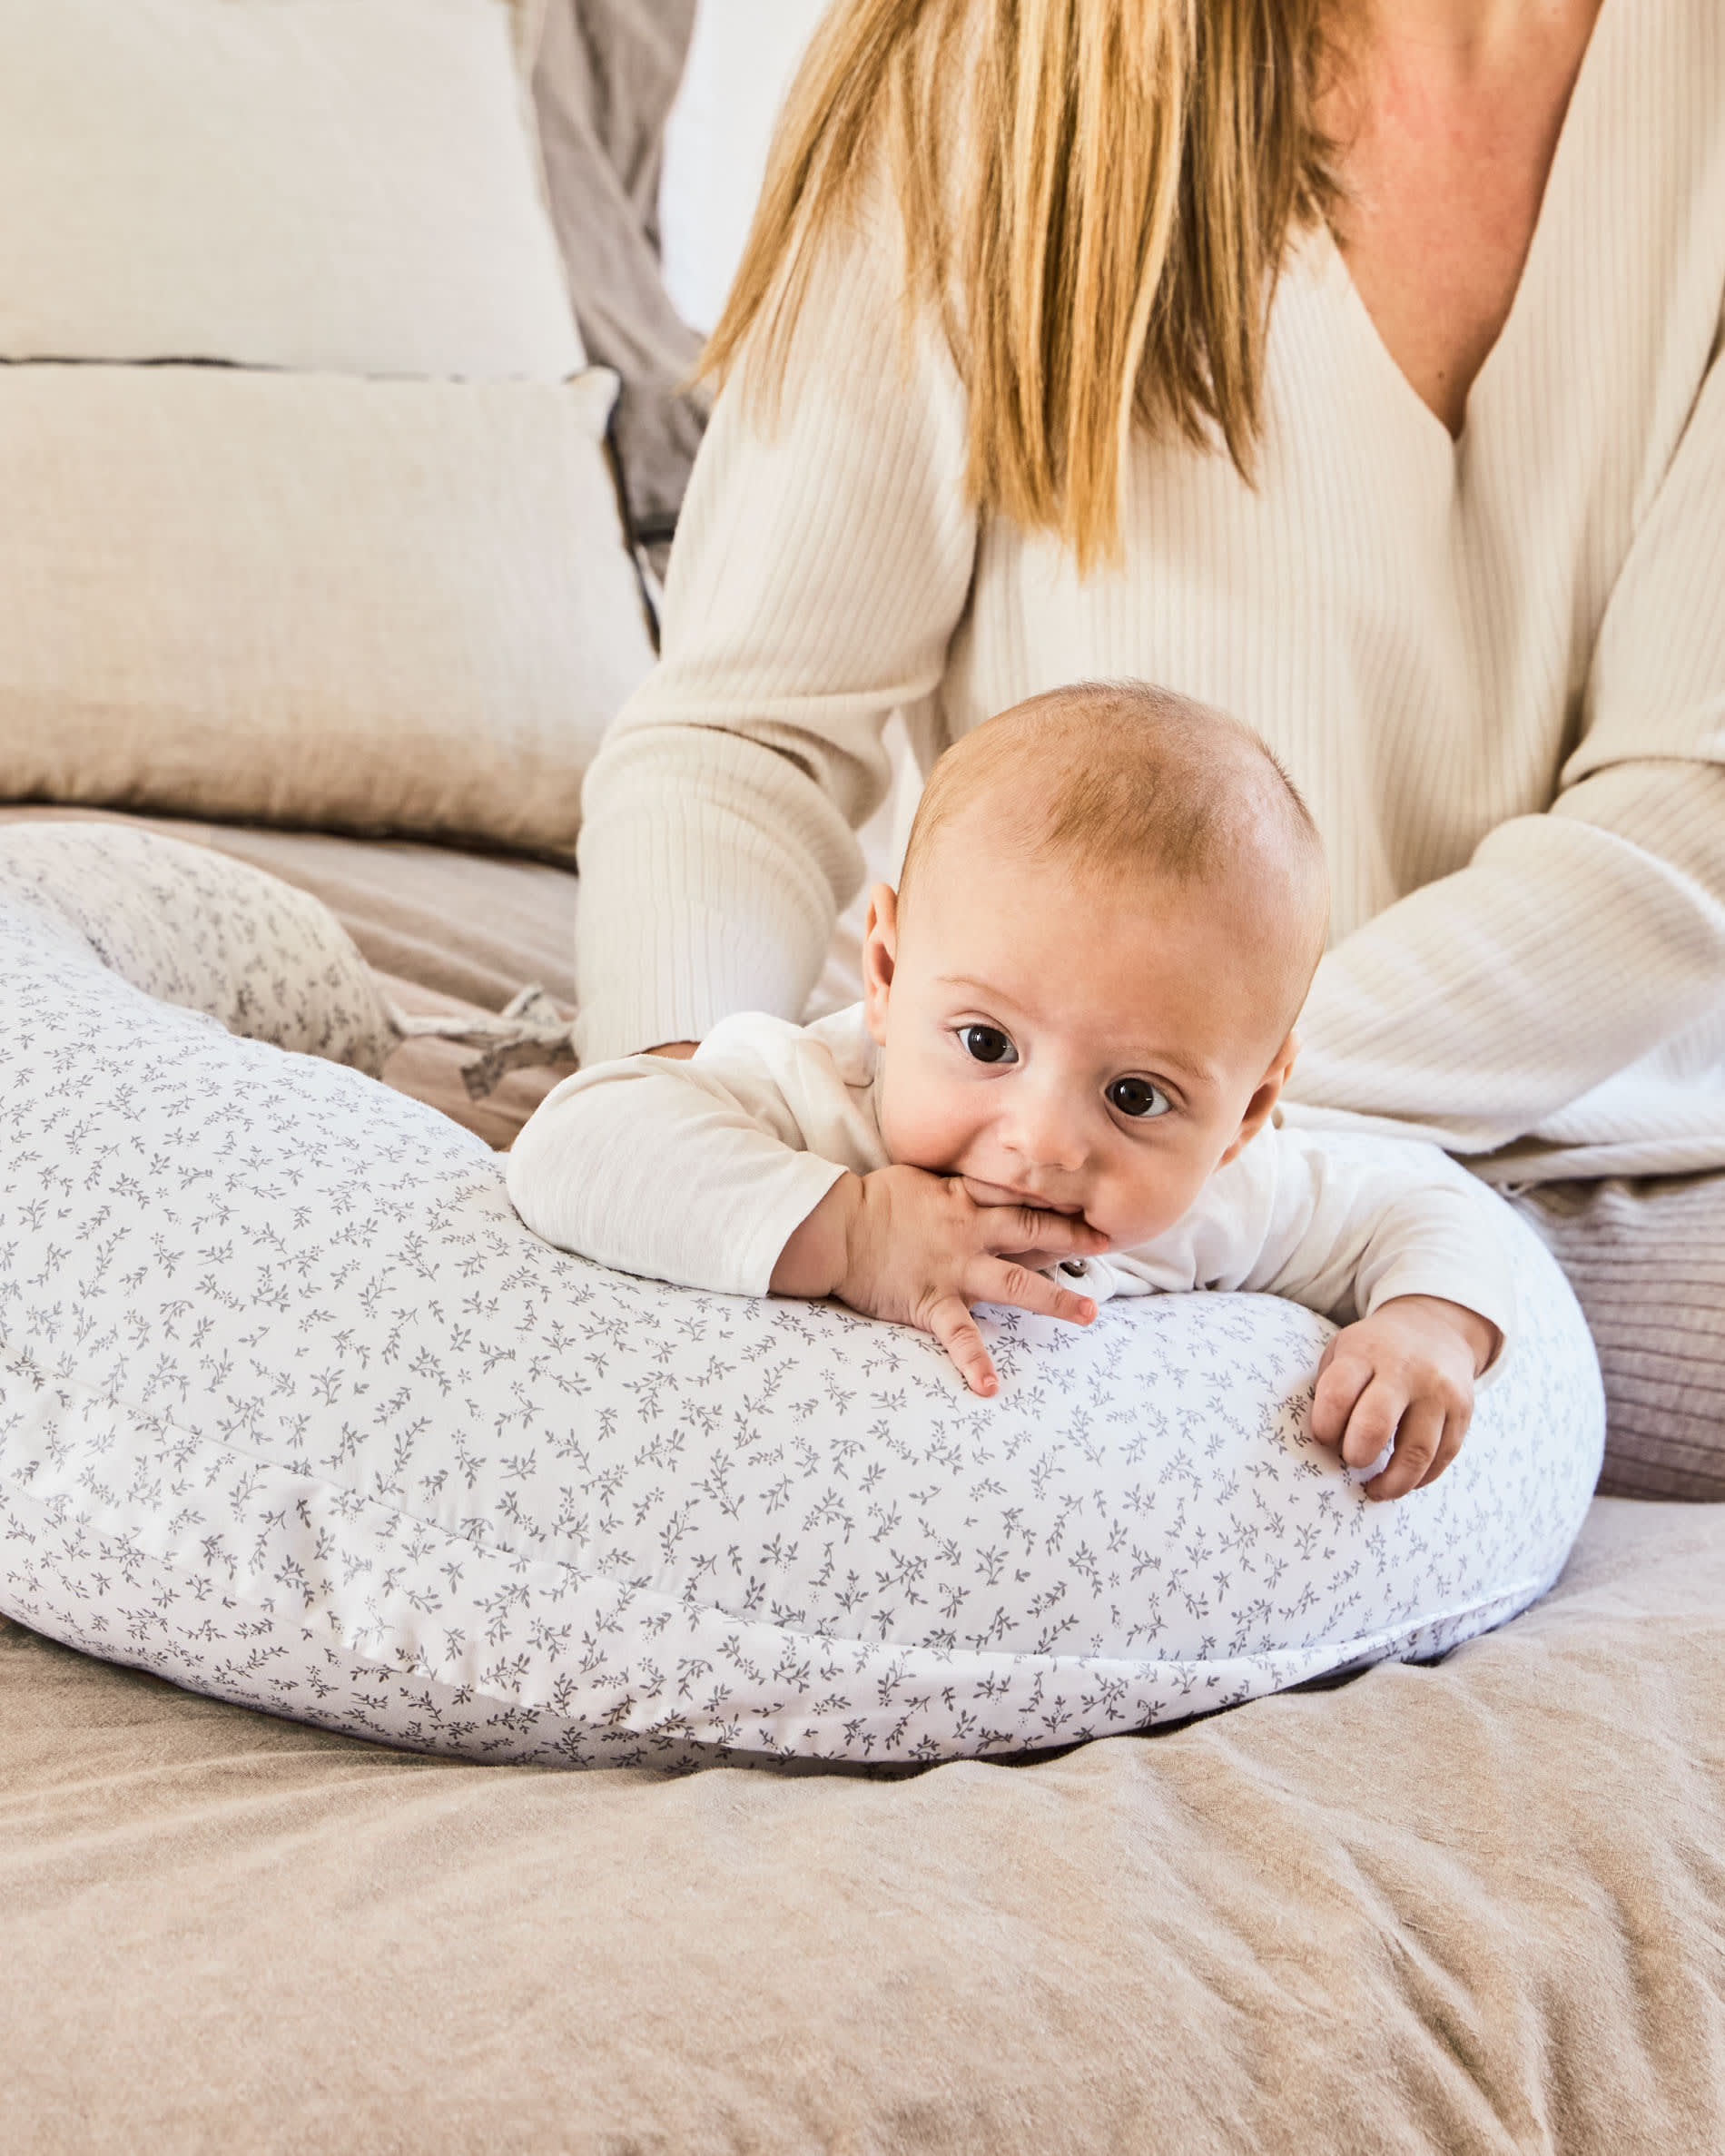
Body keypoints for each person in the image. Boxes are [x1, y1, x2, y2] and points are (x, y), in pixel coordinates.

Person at [574, 0, 1725, 1498]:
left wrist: (1194, 1142)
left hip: (1610, 1163)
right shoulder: (996, 59)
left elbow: (1680, 828)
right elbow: (748, 732)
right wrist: (696, 1141)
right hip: (1011, 1159)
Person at [516, 685, 1512, 1501]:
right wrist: (851, 1228)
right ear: (887, 974)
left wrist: (1429, 1323)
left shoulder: (1222, 1195)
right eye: (987, 1042)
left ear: (1246, 1113)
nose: (1042, 1141)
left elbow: (1419, 1202)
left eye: (1133, 1094)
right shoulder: (812, 1099)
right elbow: (575, 1141)